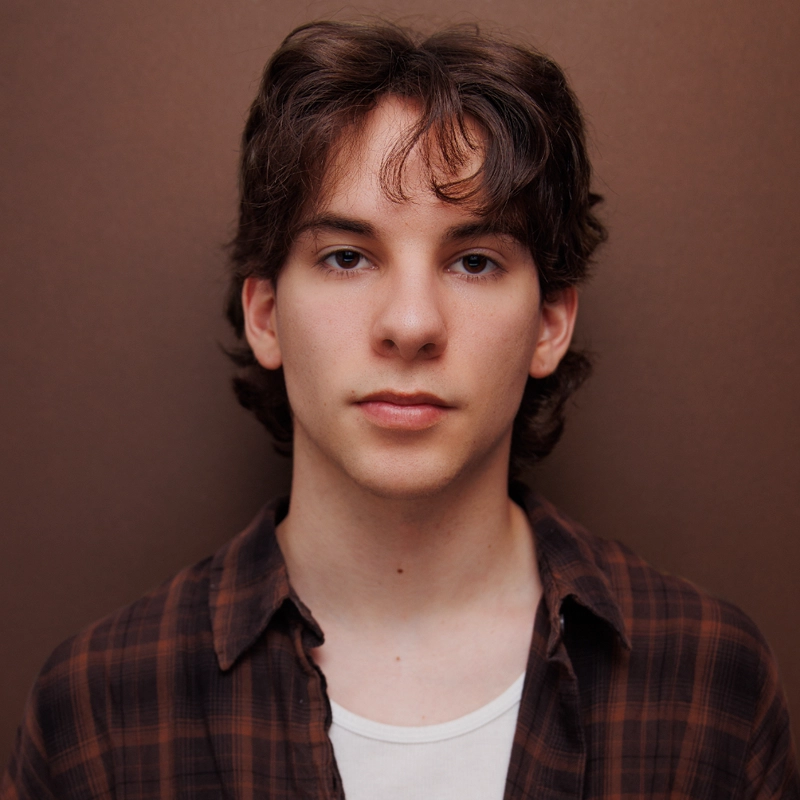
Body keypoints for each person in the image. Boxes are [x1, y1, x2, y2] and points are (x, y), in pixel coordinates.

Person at [2, 19, 798, 800]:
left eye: (475, 261)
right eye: (347, 257)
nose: (411, 324)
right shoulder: (97, 711)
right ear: (267, 316)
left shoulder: (708, 682)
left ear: (550, 324)